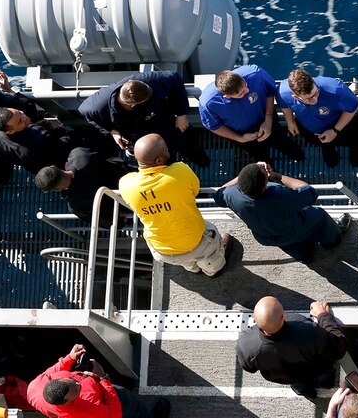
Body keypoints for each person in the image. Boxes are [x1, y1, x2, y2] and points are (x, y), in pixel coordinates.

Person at [118, 134, 234, 276]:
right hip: (196, 243)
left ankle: (194, 268)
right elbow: (195, 190)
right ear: (159, 160)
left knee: (184, 261)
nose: (169, 151)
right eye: (166, 150)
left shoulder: (126, 184)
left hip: (162, 250)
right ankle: (212, 270)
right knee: (211, 233)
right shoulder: (180, 171)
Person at [25, 343, 170, 418]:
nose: (78, 384)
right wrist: (103, 378)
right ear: (65, 403)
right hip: (113, 404)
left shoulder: (34, 388)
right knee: (134, 412)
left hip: (100, 392)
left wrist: (69, 358)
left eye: (73, 381)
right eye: (76, 391)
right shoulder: (87, 410)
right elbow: (114, 414)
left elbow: (51, 371)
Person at [214, 162, 350, 263]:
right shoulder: (280, 196)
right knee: (320, 217)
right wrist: (276, 176)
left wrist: (242, 177)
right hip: (295, 228)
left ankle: (306, 256)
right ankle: (333, 240)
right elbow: (310, 192)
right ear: (264, 185)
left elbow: (218, 195)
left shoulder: (231, 195)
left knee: (291, 245)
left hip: (266, 236)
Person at [78, 71, 209, 167]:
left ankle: (203, 164)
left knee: (191, 148)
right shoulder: (98, 106)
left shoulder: (145, 80)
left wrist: (181, 114)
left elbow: (175, 79)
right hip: (141, 138)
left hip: (168, 126)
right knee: (160, 166)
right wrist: (111, 131)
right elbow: (86, 112)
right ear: (133, 105)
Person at [236, 296, 348, 399]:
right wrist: (323, 315)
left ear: (254, 320)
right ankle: (326, 384)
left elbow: (249, 367)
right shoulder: (305, 329)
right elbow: (338, 347)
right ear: (282, 316)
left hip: (288, 378)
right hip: (317, 369)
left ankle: (308, 393)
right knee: (325, 378)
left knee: (301, 387)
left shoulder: (245, 344)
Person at [199, 65, 304, 164]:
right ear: (227, 96)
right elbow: (213, 126)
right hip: (244, 136)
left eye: (245, 86)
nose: (247, 91)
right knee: (263, 162)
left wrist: (268, 119)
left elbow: (270, 91)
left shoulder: (255, 73)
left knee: (287, 144)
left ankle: (300, 157)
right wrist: (240, 138)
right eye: (241, 93)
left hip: (267, 120)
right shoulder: (208, 103)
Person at [278, 69, 358, 168]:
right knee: (327, 150)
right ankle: (330, 155)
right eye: (308, 99)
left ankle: (355, 159)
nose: (314, 100)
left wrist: (335, 130)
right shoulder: (283, 92)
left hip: (340, 126)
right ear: (295, 96)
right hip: (314, 132)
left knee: (357, 141)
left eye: (315, 93)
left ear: (313, 81)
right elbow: (284, 104)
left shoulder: (336, 89)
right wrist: (290, 121)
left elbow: (353, 108)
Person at [35, 147, 133, 224]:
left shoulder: (77, 204)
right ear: (54, 166)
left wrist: (121, 222)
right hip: (135, 175)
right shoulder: (79, 154)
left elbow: (101, 220)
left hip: (131, 203)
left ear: (57, 189)